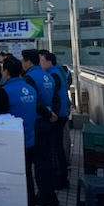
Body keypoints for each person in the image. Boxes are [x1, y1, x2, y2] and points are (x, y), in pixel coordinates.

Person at [0, 56, 37, 206]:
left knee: (11, 186)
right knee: (27, 184)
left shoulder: (5, 92)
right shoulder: (31, 89)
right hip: (29, 142)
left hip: (11, 148)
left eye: (3, 70)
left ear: (6, 72)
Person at [21, 49, 60, 206]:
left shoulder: (29, 77)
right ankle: (50, 193)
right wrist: (54, 114)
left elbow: (32, 101)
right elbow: (57, 98)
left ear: (28, 62)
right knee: (47, 159)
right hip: (50, 122)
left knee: (39, 162)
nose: (22, 64)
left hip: (37, 122)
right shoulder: (48, 76)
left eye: (23, 61)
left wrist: (47, 113)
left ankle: (44, 195)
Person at [39, 49, 71, 189]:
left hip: (57, 115)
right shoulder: (58, 71)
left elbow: (53, 95)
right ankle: (61, 176)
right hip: (61, 113)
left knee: (56, 147)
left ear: (49, 61)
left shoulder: (53, 74)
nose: (40, 64)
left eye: (41, 61)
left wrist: (51, 113)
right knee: (57, 147)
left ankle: (60, 178)